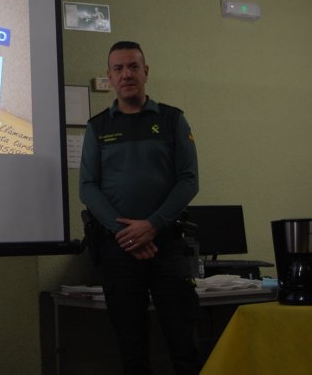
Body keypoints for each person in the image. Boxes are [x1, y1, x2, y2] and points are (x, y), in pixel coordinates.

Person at [79, 41, 200, 375]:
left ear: (146, 71)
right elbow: (87, 188)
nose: (126, 74)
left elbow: (189, 181)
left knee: (185, 345)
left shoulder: (173, 120)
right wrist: (127, 234)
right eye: (118, 68)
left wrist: (152, 225)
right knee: (132, 352)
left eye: (133, 66)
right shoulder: (97, 127)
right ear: (110, 76)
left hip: (168, 246)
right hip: (120, 251)